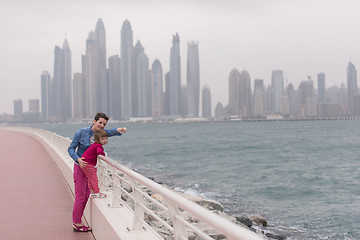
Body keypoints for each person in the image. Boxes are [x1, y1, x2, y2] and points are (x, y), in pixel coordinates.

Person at [68, 112, 127, 232]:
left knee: (86, 195)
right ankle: (76, 223)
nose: (101, 126)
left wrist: (120, 129)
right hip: (80, 166)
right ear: (94, 121)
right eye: (100, 122)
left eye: (104, 124)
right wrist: (77, 159)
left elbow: (110, 132)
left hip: (91, 168)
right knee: (80, 196)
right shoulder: (81, 132)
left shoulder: (101, 134)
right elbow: (70, 148)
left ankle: (78, 221)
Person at [81, 129, 108, 199]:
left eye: (106, 138)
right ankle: (97, 193)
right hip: (88, 163)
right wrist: (103, 153)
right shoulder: (98, 146)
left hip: (84, 162)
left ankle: (92, 193)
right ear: (97, 139)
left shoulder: (95, 145)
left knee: (90, 178)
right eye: (102, 139)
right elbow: (99, 152)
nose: (105, 140)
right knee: (94, 178)